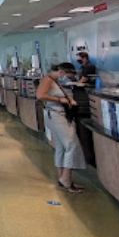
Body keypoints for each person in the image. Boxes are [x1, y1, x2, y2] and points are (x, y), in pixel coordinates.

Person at [37, 63, 86, 193]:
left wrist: (67, 99)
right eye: (67, 75)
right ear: (62, 71)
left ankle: (62, 178)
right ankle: (66, 178)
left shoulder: (54, 80)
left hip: (56, 115)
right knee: (71, 145)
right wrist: (60, 100)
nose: (66, 77)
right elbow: (40, 95)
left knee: (61, 146)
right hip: (57, 116)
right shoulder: (47, 80)